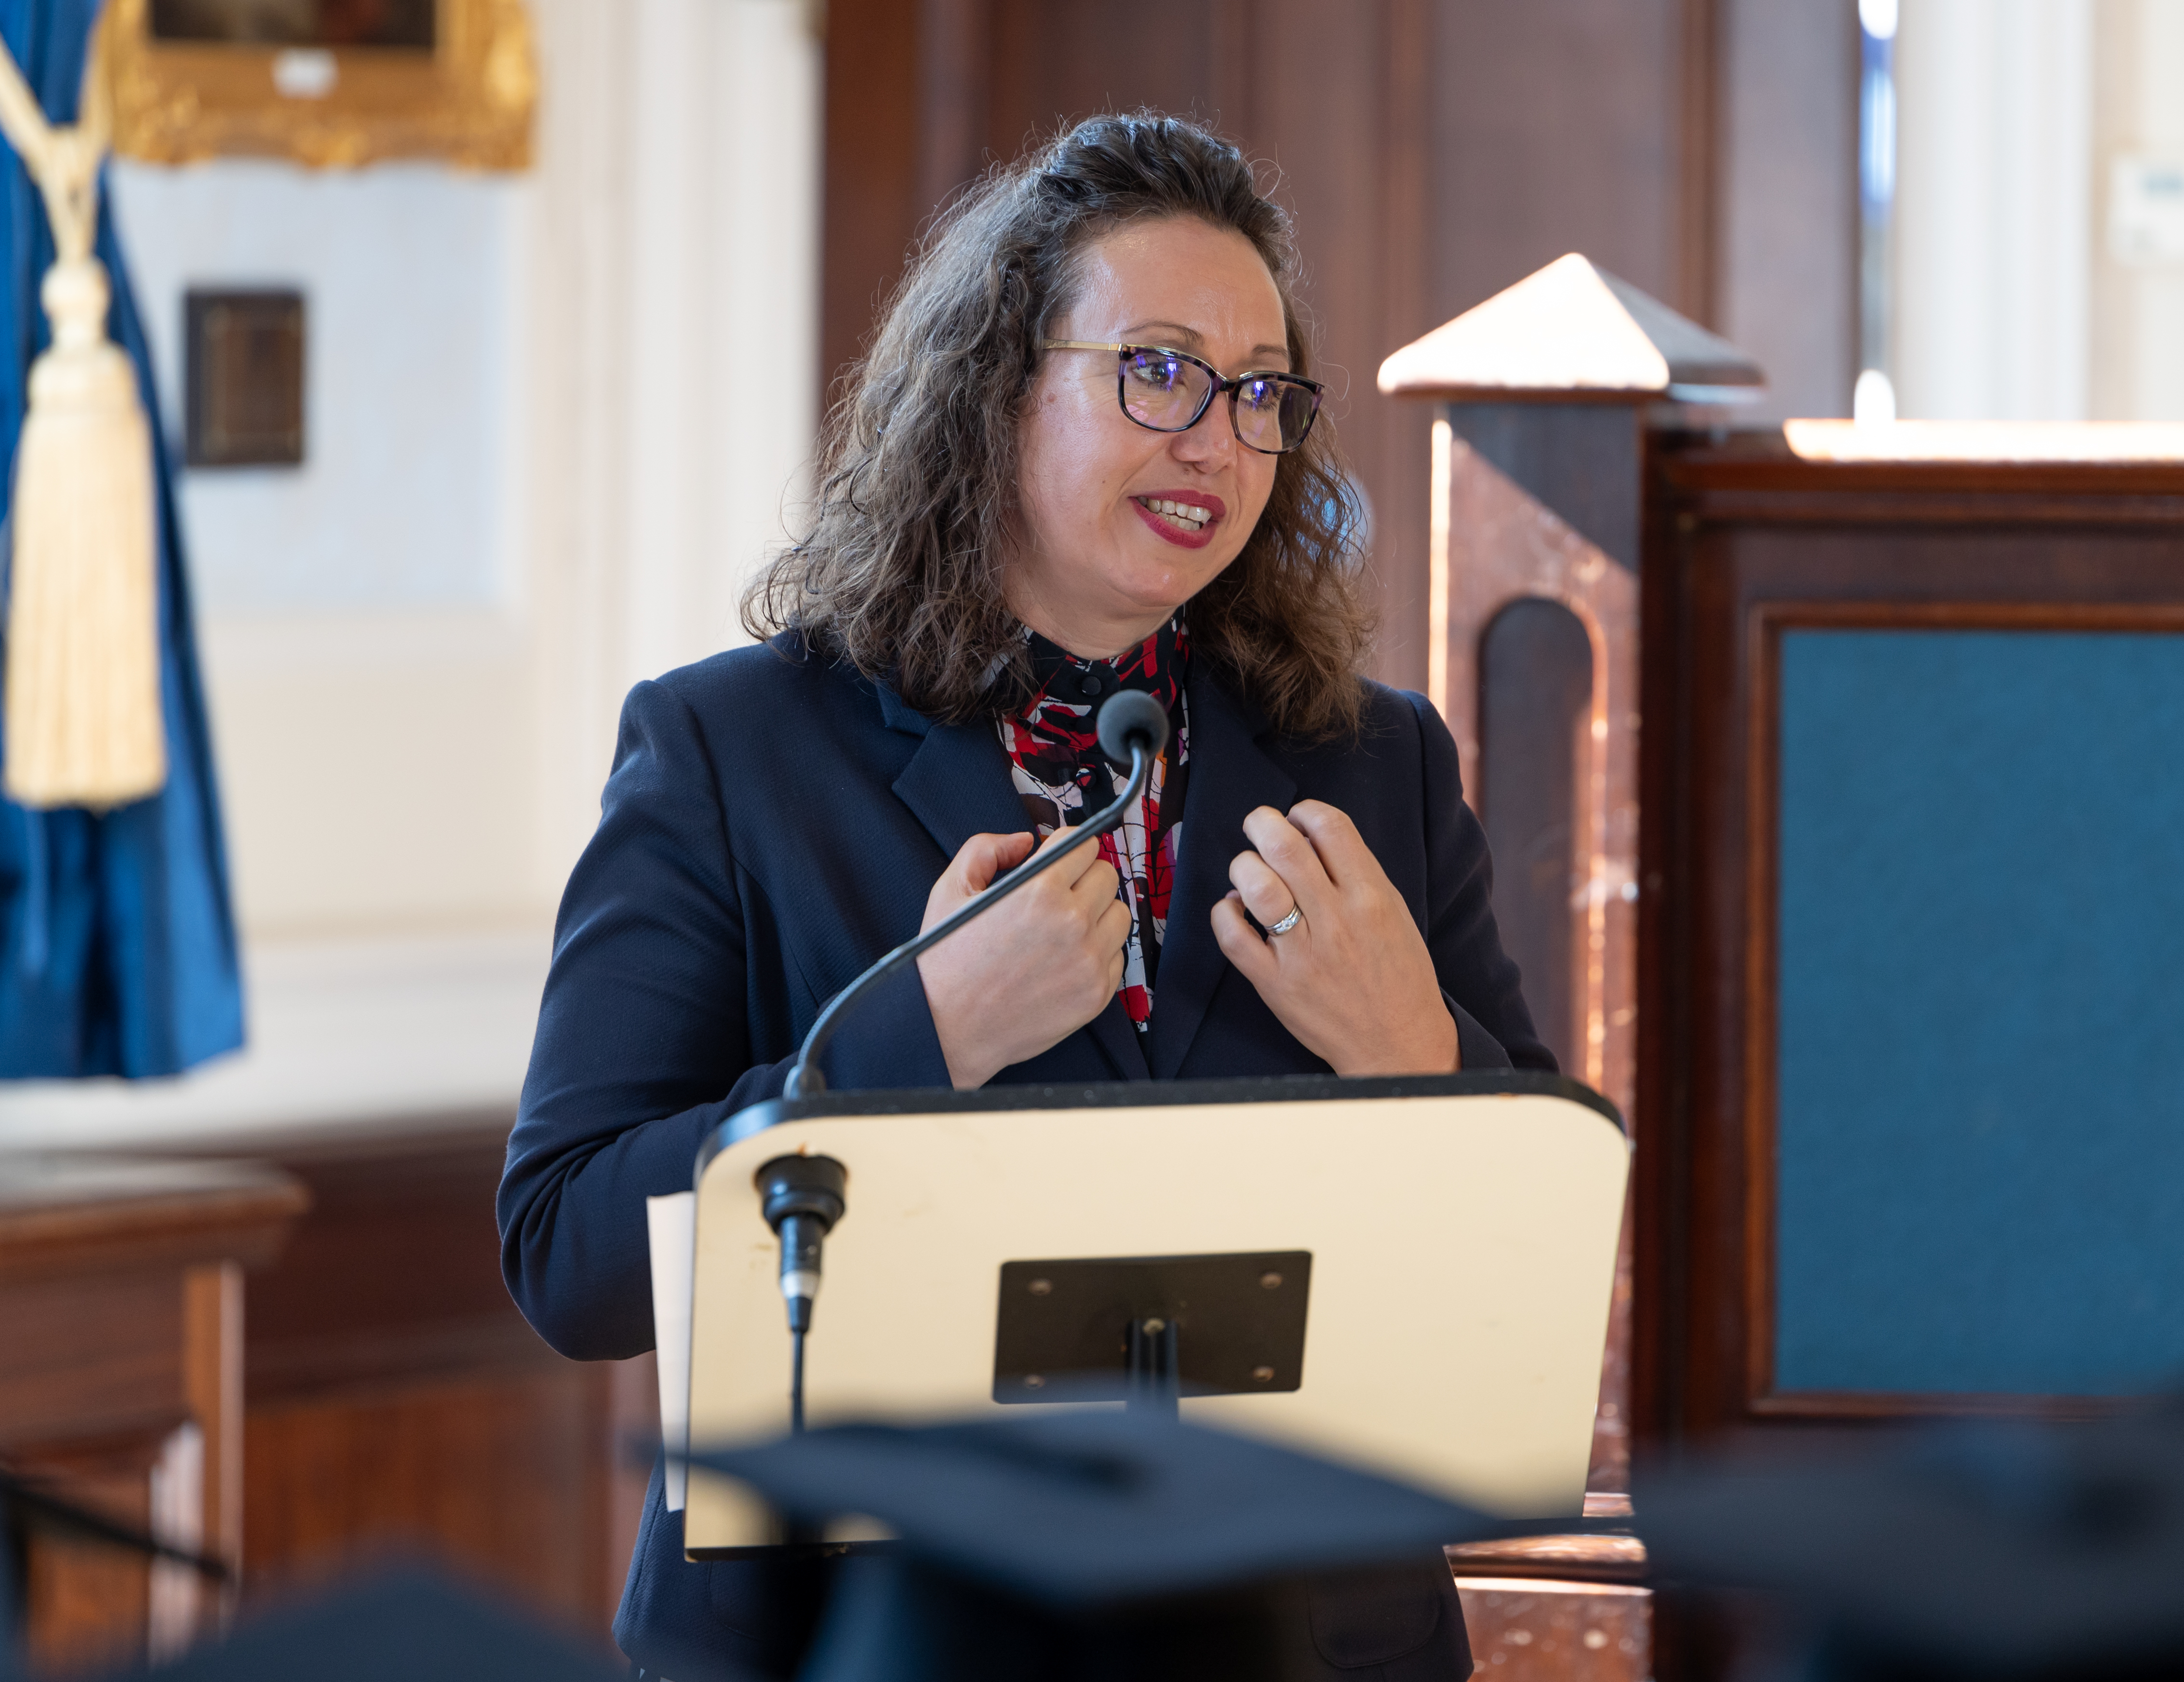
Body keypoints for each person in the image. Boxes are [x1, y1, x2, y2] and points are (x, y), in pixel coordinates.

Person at [497, 111, 1553, 1682]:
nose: (1216, 438)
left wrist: (1425, 1056)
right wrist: (914, 1042)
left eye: (1260, 392)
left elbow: (1544, 1267)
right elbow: (569, 1252)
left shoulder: (1371, 760)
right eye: (1159, 369)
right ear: (997, 383)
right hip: (872, 1634)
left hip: (1307, 1633)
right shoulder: (732, 748)